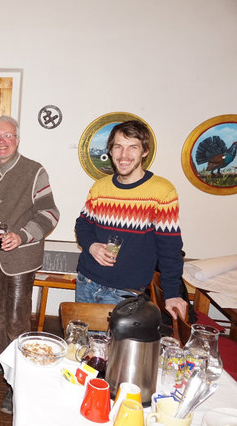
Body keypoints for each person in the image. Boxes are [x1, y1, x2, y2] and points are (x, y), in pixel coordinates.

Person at [0, 115, 59, 414]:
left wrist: (21, 236)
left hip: (21, 259)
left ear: (17, 139)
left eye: (8, 136)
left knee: (17, 320)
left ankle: (18, 381)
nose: (2, 141)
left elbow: (50, 214)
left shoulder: (35, 171)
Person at [74, 120, 188, 318]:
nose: (123, 155)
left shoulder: (163, 191)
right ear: (110, 151)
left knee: (113, 349)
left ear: (145, 151)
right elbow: (83, 224)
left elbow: (170, 249)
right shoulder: (99, 187)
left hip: (126, 293)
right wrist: (92, 246)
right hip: (87, 282)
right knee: (80, 345)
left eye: (132, 147)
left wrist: (172, 293)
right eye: (118, 147)